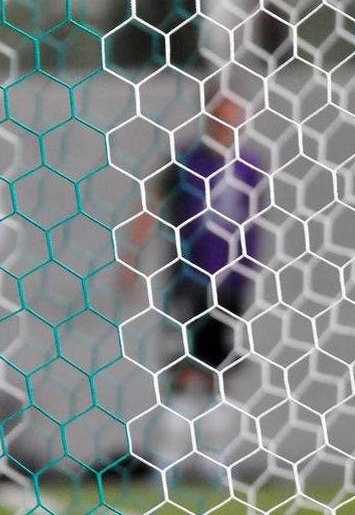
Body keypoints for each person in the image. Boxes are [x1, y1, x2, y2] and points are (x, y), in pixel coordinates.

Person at [129, 96, 267, 477]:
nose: (226, 123)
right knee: (184, 369)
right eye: (220, 116)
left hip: (234, 283)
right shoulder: (185, 159)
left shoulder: (251, 165)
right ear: (208, 117)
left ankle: (213, 460)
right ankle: (166, 460)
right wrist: (131, 259)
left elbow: (253, 221)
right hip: (189, 280)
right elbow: (152, 204)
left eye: (233, 116)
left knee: (219, 370)